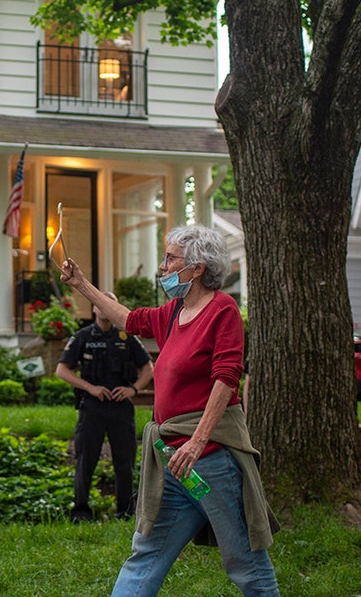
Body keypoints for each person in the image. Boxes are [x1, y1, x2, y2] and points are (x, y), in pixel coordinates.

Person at [61, 225, 279, 596]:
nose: (162, 267)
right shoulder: (172, 312)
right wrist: (82, 283)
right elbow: (128, 319)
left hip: (210, 460)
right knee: (145, 555)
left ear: (196, 268)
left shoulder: (221, 310)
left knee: (245, 562)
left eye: (170, 258)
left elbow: (226, 380)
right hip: (172, 459)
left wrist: (197, 442)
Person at [56, 291, 154, 523]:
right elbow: (62, 370)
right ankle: (80, 512)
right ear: (94, 309)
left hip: (120, 407)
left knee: (124, 461)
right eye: (101, 304)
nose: (105, 308)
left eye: (111, 304)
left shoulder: (128, 338)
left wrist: (134, 390)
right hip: (92, 406)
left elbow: (148, 368)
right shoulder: (82, 337)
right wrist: (89, 388)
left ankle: (125, 512)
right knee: (85, 459)